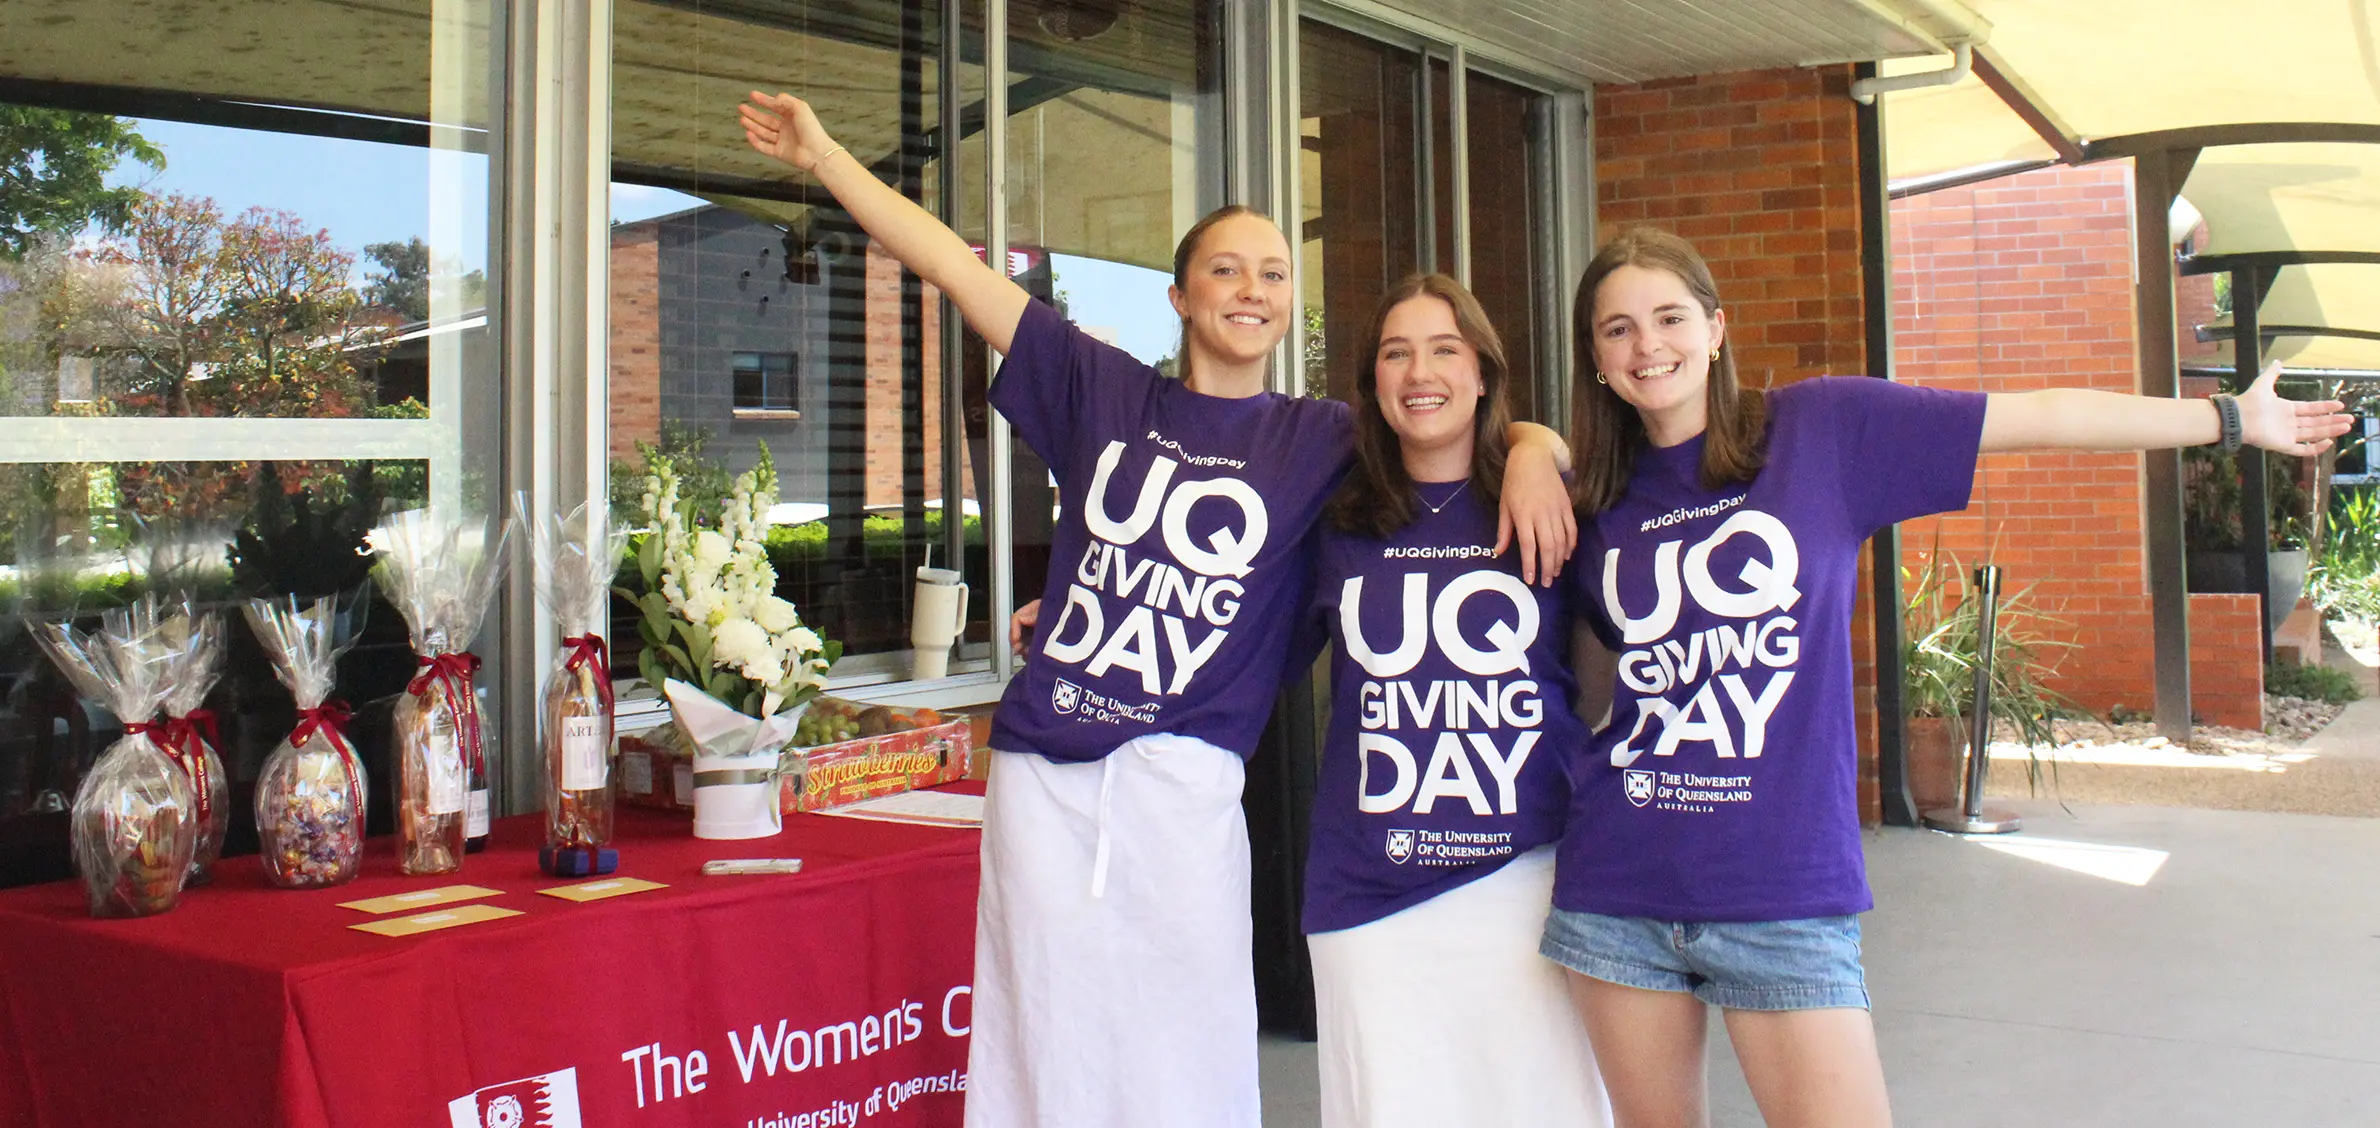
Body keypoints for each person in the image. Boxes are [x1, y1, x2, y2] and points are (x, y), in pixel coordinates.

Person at [738, 92, 1577, 1128]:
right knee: (1038, 1026)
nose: (1252, 290)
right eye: (1226, 269)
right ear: (1180, 296)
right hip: (1046, 772)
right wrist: (824, 153)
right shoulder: (1106, 391)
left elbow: (1446, 404)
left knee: (1190, 1043)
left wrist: (1539, 447)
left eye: (1273, 274)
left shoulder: (1319, 439)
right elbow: (956, 269)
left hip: (1184, 780)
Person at [1539, 227, 2348, 1128]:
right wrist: (1537, 446)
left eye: (1668, 317)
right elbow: (1580, 677)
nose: (1647, 346)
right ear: (1596, 359)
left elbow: (2041, 416)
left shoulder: (1822, 431)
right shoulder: (1593, 497)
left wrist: (2229, 420)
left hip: (1781, 890)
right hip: (1619, 886)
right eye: (1617, 330)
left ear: (1717, 328)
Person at [1296, 273, 1608, 1128]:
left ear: (1482, 374)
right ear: (1373, 386)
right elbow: (1235, 636)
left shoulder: (1547, 506)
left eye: (1444, 349)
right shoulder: (1336, 522)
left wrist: (1540, 451)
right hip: (1369, 893)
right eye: (1396, 353)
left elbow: (1634, 658)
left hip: (1528, 878)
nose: (1419, 371)